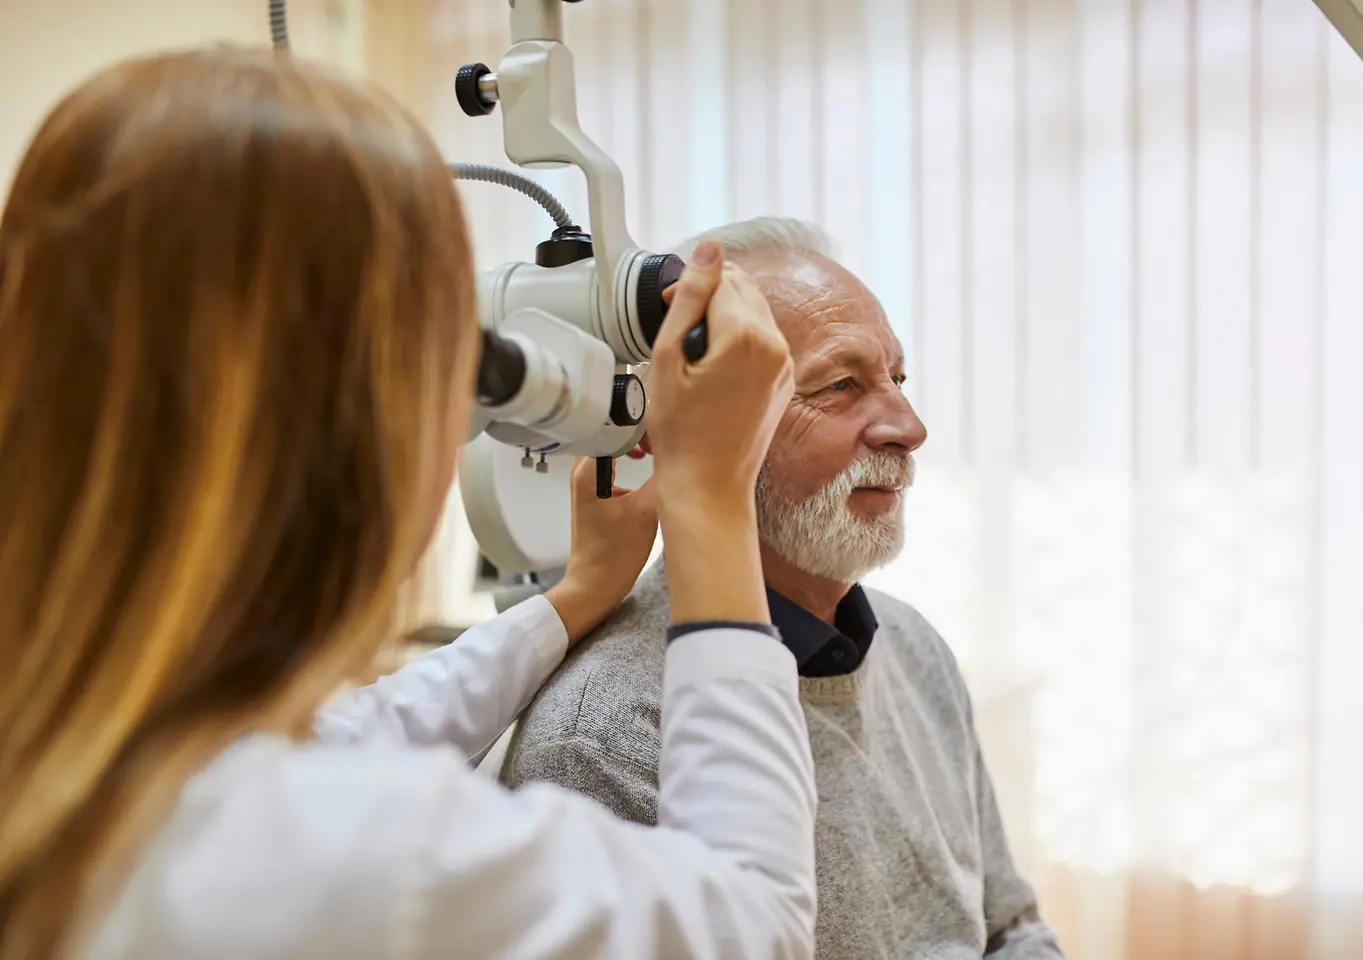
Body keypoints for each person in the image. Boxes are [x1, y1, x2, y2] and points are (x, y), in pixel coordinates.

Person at [0, 50, 814, 959]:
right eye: (460, 363)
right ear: (362, 425)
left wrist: (576, 595)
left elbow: (350, 735)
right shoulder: (359, 857)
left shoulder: (80, 745)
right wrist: (710, 500)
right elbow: (756, 923)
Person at [503, 218, 1065, 959]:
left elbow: (1010, 928)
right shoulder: (604, 738)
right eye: (841, 385)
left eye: (897, 379)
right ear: (702, 424)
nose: (909, 425)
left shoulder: (914, 648)